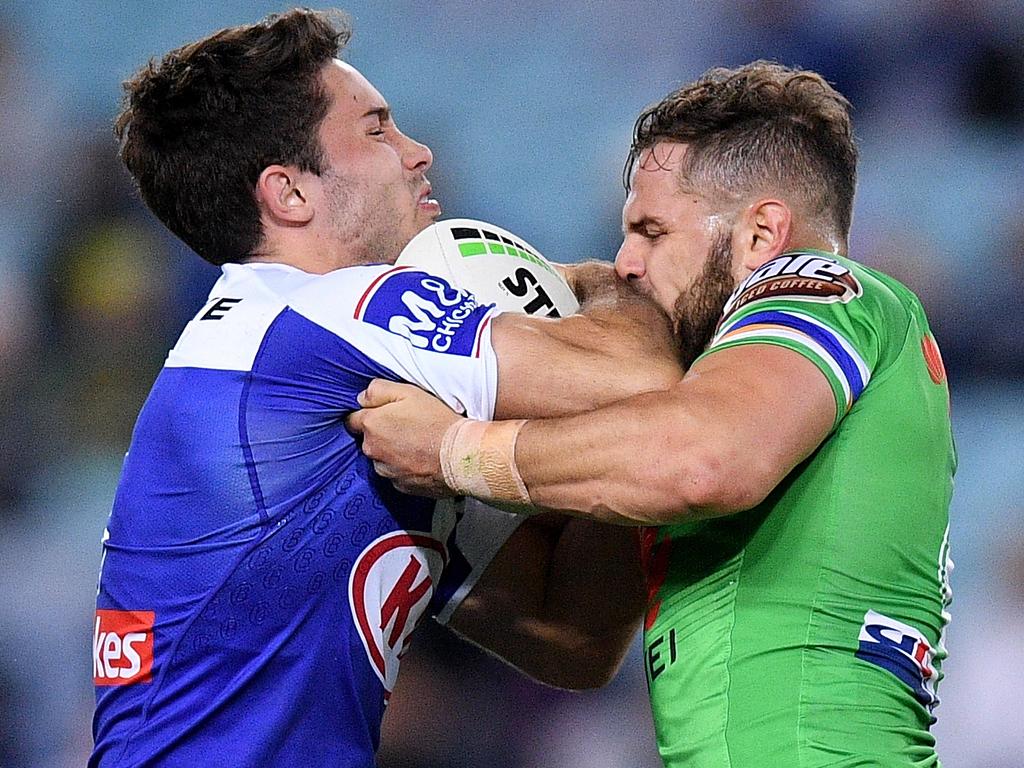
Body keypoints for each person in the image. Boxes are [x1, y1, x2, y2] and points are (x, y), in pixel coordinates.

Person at [92, 8, 683, 767]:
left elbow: (570, 635)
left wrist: (595, 460)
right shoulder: (335, 308)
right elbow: (643, 380)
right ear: (290, 194)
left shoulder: (302, 370)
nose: (417, 152)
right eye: (376, 130)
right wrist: (614, 284)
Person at [350, 61, 956, 767]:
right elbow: (569, 630)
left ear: (762, 234)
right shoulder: (719, 407)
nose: (625, 263)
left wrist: (457, 449)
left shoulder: (830, 288)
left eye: (652, 231)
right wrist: (407, 497)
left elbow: (703, 461)